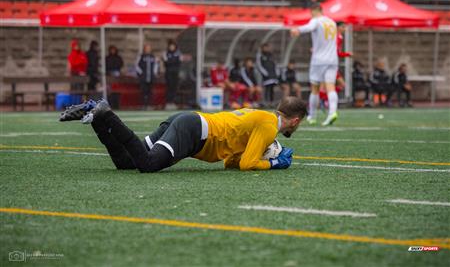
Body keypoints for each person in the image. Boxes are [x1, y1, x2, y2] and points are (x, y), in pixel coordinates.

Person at [59, 96, 307, 172]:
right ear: (295, 120)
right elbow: (247, 164)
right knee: (147, 165)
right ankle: (108, 114)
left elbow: (232, 162)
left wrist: (260, 155)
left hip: (190, 123)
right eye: (299, 124)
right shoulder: (268, 125)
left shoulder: (263, 118)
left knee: (126, 162)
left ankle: (98, 117)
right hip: (193, 131)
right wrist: (274, 162)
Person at [290, 2, 339, 126]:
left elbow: (309, 27)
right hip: (333, 59)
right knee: (331, 87)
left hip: (319, 60)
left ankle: (312, 116)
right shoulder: (332, 22)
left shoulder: (316, 20)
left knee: (315, 88)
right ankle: (332, 112)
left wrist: (298, 30)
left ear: (313, 11)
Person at [136, 44, 159, 109]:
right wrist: (141, 73)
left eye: (149, 48)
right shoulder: (141, 56)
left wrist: (154, 73)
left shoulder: (153, 57)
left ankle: (149, 105)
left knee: (150, 92)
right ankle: (143, 105)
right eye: (146, 48)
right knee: (143, 91)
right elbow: (137, 66)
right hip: (143, 78)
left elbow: (156, 66)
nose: (148, 50)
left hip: (151, 77)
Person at [162, 40, 182, 109]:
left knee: (174, 87)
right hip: (168, 73)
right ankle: (168, 102)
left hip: (175, 73)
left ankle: (173, 102)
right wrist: (173, 61)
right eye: (171, 46)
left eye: (173, 46)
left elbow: (179, 62)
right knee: (169, 87)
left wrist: (172, 61)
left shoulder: (178, 53)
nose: (172, 47)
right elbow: (166, 62)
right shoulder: (166, 53)